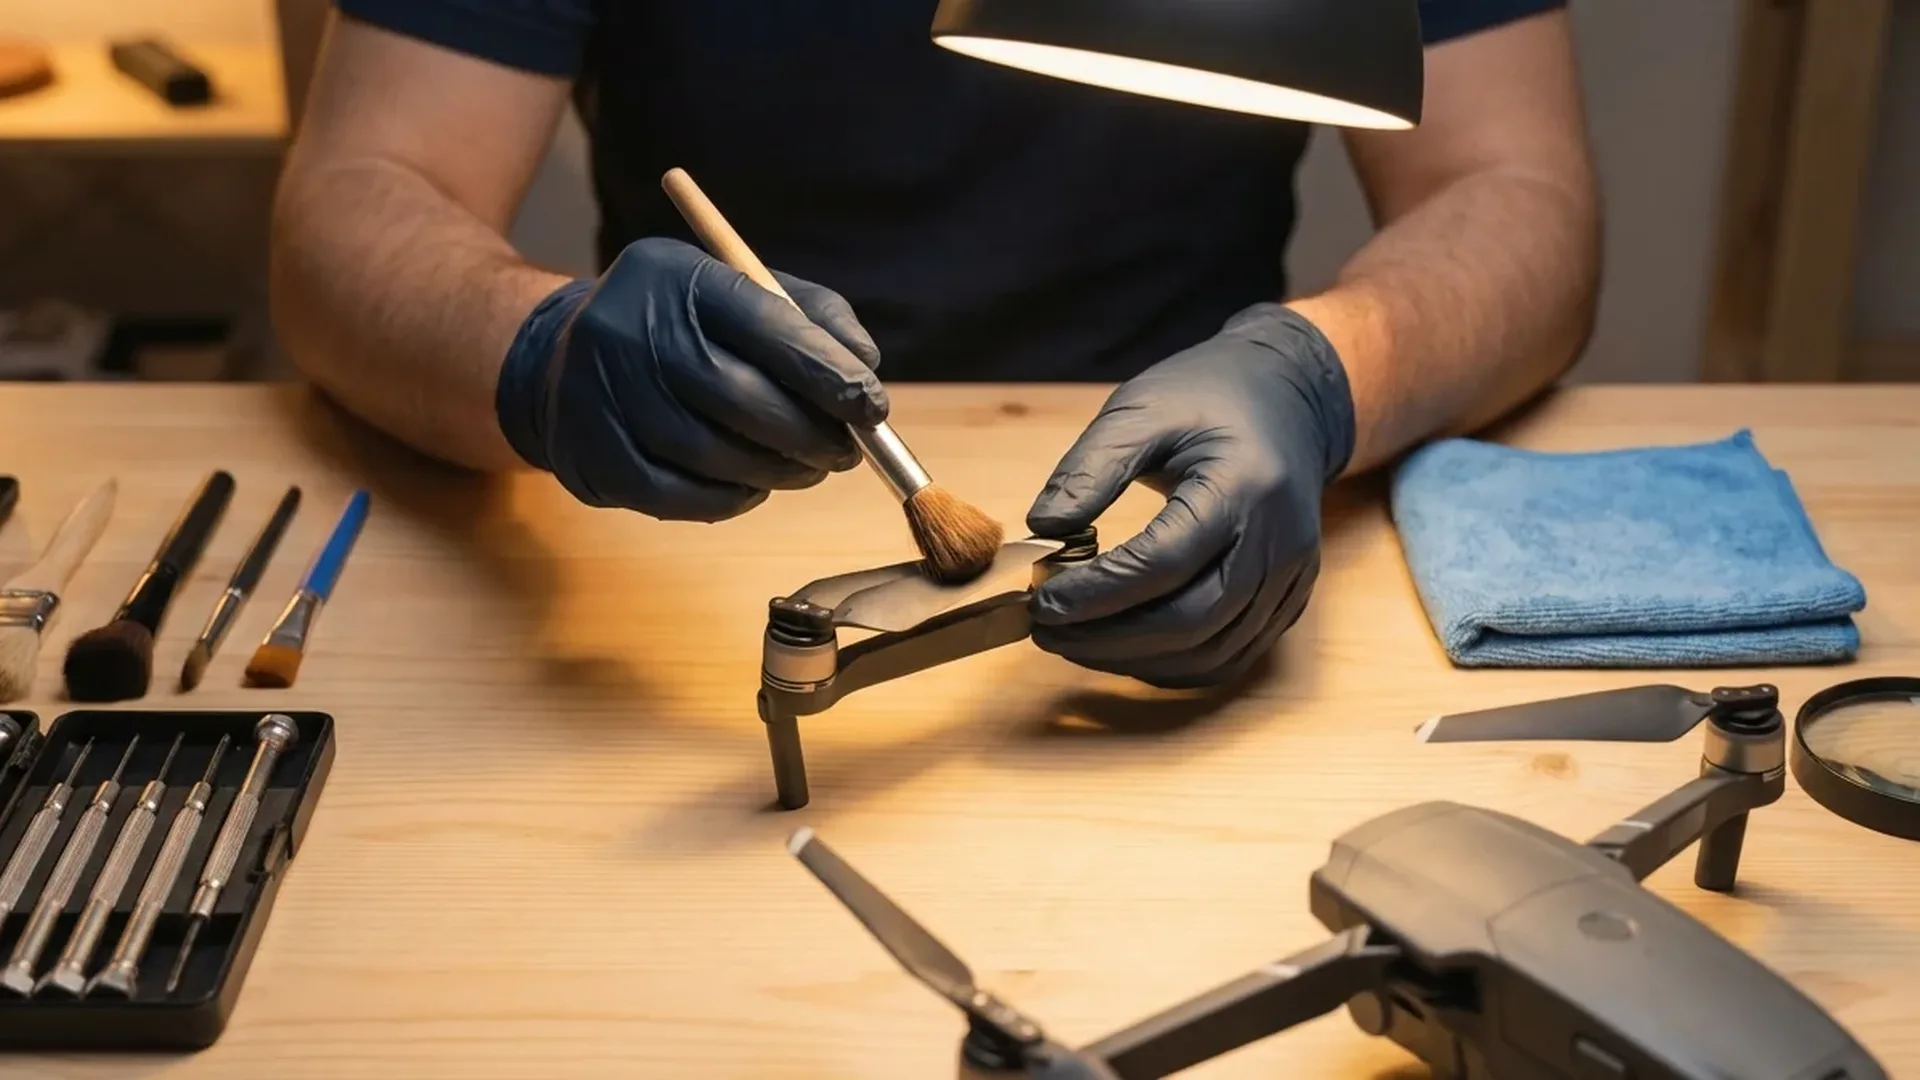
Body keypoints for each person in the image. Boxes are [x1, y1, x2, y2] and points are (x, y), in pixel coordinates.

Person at [271, 1, 1599, 690]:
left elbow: (1515, 194)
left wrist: (1320, 376)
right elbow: (360, 192)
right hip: (680, 535)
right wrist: (544, 351)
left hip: (1196, 501)